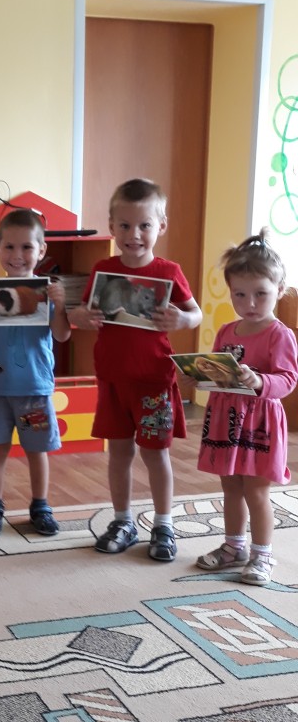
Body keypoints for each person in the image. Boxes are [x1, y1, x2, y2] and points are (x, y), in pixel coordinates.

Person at [69, 178, 202, 561]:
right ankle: (122, 521)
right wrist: (81, 316)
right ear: (112, 227)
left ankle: (163, 524)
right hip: (113, 382)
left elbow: (195, 313)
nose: (134, 234)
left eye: (144, 225)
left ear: (161, 226)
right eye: (125, 226)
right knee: (119, 454)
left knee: (156, 455)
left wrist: (183, 319)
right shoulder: (102, 269)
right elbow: (80, 314)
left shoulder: (169, 271)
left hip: (154, 382)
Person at [0, 208, 71, 537]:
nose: (17, 255)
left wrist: (60, 306)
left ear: (41, 250)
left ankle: (40, 506)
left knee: (37, 450)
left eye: (26, 247)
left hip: (34, 388)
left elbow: (63, 334)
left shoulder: (47, 295)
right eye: (9, 247)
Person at [195, 229, 298, 585]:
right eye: (239, 294)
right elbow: (217, 370)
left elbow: (288, 379)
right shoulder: (227, 330)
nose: (249, 303)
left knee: (256, 490)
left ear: (279, 290)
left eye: (260, 294)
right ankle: (233, 547)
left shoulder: (279, 334)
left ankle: (262, 554)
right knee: (230, 487)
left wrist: (259, 381)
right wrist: (201, 376)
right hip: (226, 419)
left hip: (260, 423)